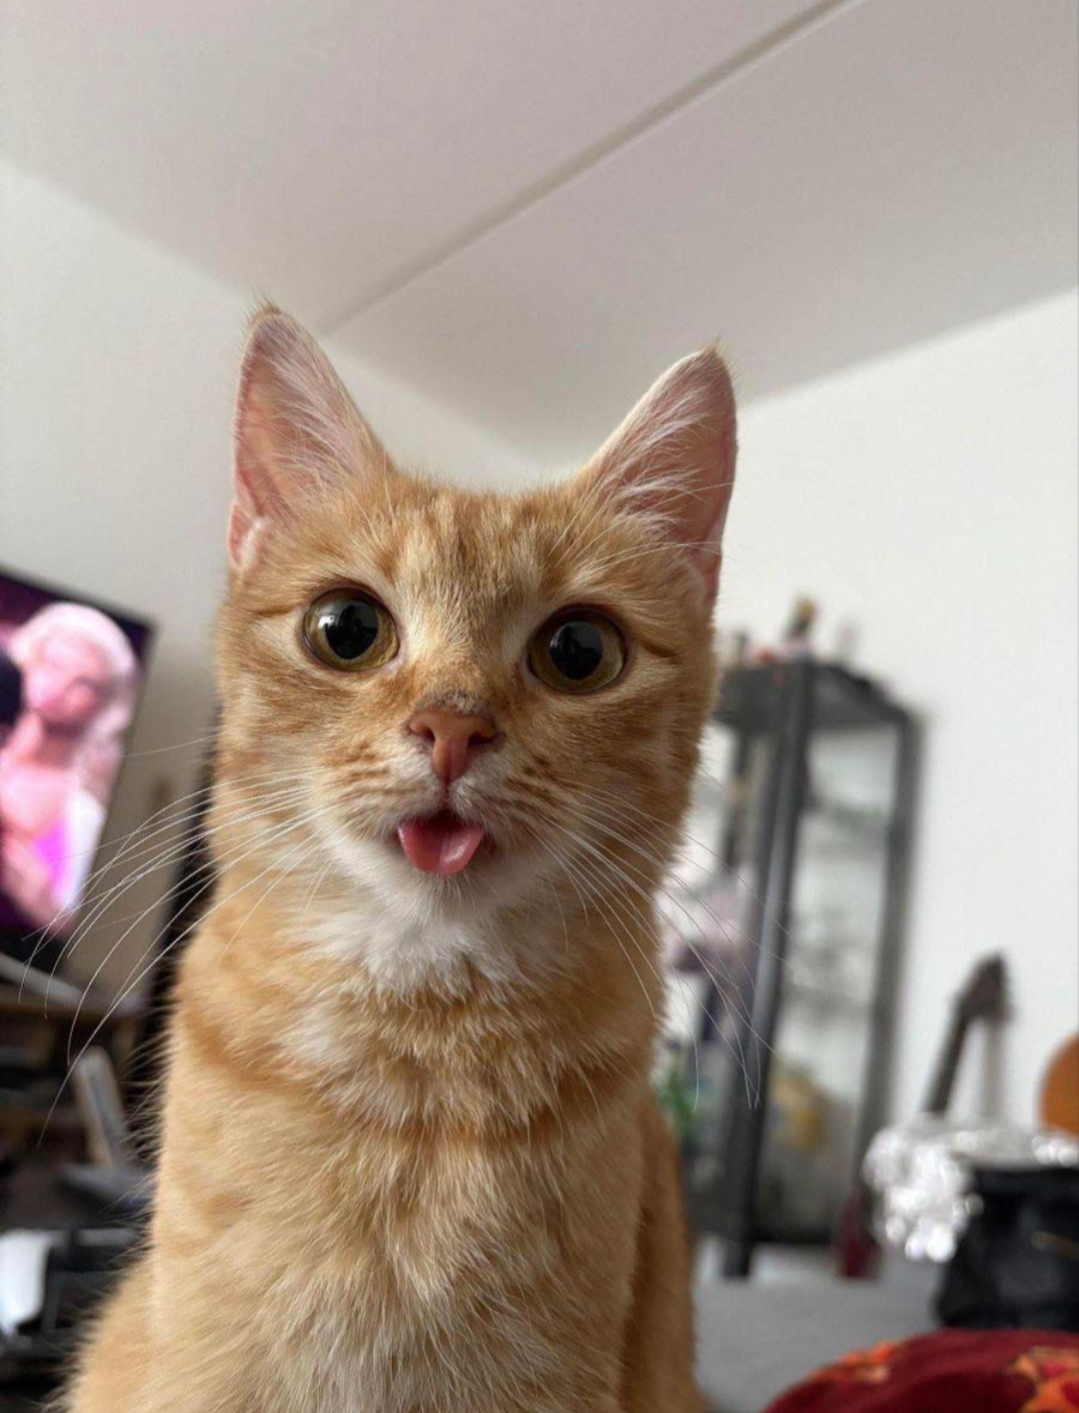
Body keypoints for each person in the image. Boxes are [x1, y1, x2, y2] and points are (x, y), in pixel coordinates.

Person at [0, 603, 139, 941]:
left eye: (84, 683)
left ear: (106, 703)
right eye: (53, 663)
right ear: (28, 657)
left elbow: (89, 941)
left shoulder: (84, 816)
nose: (59, 686)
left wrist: (44, 906)